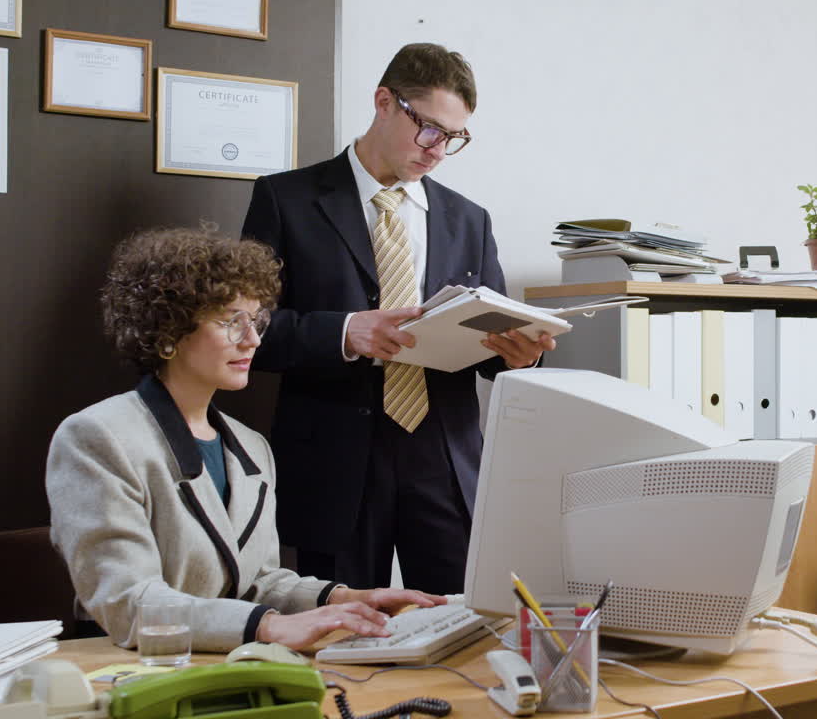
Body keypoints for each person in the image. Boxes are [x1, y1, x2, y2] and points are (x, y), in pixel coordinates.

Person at [240, 43, 554, 593]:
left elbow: (491, 340)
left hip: (445, 455)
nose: (438, 152)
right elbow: (247, 331)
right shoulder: (285, 199)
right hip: (334, 456)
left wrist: (516, 356)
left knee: (466, 625)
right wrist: (345, 331)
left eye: (455, 138)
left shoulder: (468, 220)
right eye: (430, 129)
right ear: (384, 102)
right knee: (340, 631)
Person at [46, 227, 444, 652]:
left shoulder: (251, 446)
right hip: (130, 671)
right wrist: (270, 628)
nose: (253, 339)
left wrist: (346, 598)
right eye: (230, 321)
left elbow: (258, 583)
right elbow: (127, 603)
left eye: (255, 321)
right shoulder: (95, 437)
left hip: (224, 662)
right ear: (167, 331)